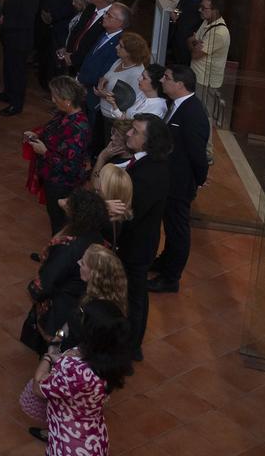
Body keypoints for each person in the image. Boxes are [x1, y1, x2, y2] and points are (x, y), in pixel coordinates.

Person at [95, 114, 171, 358]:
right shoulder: (143, 163)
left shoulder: (150, 174)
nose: (128, 133)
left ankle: (132, 346)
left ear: (149, 142)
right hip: (132, 243)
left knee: (135, 296)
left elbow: (130, 213)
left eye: (135, 132)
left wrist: (107, 209)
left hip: (136, 247)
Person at [24, 301, 132, 455]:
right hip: (94, 439)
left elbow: (38, 386)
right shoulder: (110, 359)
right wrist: (60, 356)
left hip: (69, 444)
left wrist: (48, 357)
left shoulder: (74, 368)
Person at [20, 189, 108, 355]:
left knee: (54, 356)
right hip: (82, 305)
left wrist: (34, 288)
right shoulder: (96, 237)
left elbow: (42, 287)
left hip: (62, 311)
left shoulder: (68, 248)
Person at [149, 66, 210, 293]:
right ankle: (165, 261)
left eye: (166, 78)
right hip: (169, 179)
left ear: (180, 85)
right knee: (170, 225)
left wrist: (199, 179)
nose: (162, 81)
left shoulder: (193, 113)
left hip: (180, 183)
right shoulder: (177, 106)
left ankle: (171, 277)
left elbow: (197, 153)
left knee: (177, 229)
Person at [24, 77, 93, 234]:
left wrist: (45, 152)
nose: (53, 99)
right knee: (54, 217)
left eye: (55, 96)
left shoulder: (78, 128)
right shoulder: (63, 115)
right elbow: (52, 133)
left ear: (67, 101)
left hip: (63, 184)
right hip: (52, 177)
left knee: (60, 223)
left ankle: (57, 253)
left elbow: (71, 166)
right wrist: (36, 135)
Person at [0, 0, 37, 116]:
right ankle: (7, 94)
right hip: (10, 38)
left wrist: (5, 22)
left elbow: (26, 21)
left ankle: (16, 104)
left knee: (17, 73)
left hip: (20, 41)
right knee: (9, 69)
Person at [189, 0, 230, 119]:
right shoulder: (207, 21)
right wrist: (195, 43)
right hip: (198, 77)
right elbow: (190, 40)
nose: (199, 10)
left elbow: (195, 54)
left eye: (203, 8)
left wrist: (194, 43)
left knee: (203, 115)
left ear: (215, 10)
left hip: (205, 82)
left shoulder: (219, 33)